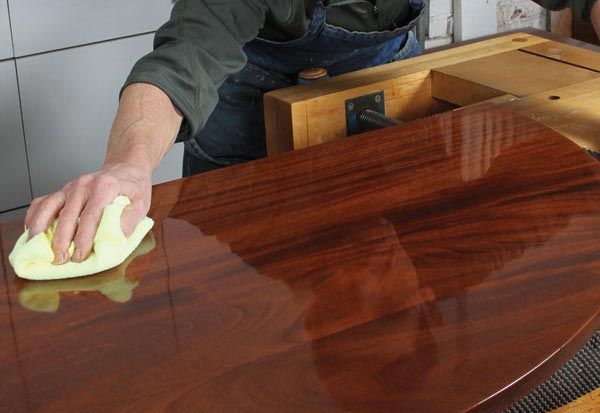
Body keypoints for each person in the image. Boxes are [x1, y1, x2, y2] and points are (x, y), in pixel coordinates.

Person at [23, 0, 600, 266]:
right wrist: (127, 166)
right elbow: (185, 56)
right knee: (241, 279)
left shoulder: (445, 282)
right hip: (251, 96)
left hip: (391, 70)